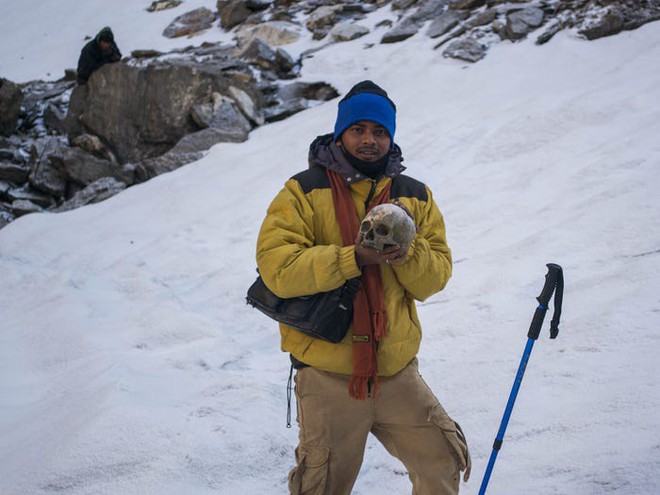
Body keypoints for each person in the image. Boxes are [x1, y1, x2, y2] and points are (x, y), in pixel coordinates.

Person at [256, 80, 471, 494]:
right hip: (328, 375)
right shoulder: (303, 191)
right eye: (359, 130)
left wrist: (406, 251)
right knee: (322, 485)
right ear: (341, 134)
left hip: (395, 371)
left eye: (380, 131)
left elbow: (436, 276)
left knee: (442, 460)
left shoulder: (416, 196)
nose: (369, 140)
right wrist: (352, 258)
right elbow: (277, 269)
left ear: (391, 138)